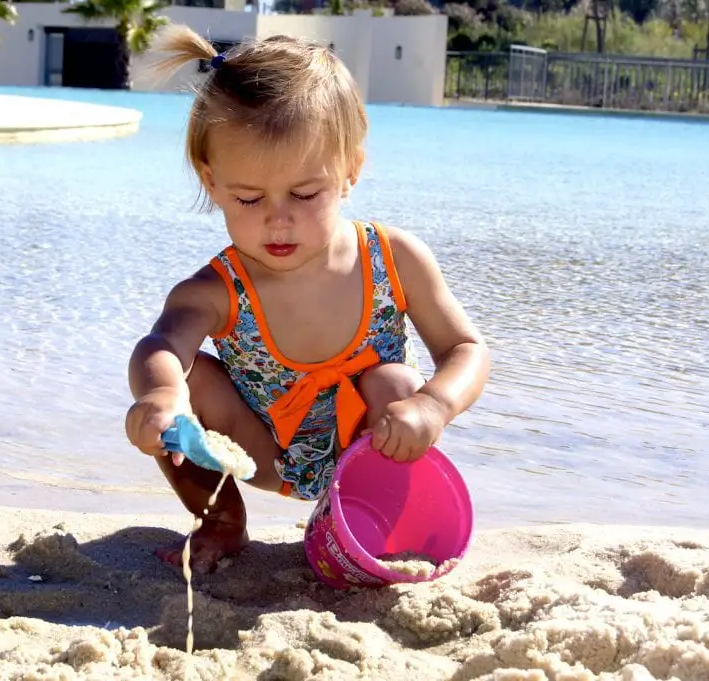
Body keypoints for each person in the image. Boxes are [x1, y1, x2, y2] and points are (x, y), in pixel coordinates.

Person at [125, 24, 491, 574]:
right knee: (190, 378)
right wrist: (161, 397)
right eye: (248, 198)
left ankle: (371, 520)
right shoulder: (216, 291)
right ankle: (222, 522)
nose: (278, 217)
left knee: (394, 382)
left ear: (350, 173)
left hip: (377, 449)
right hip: (264, 451)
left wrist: (433, 406)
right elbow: (162, 342)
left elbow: (466, 347)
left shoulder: (394, 260)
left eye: (304, 193)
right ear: (211, 179)